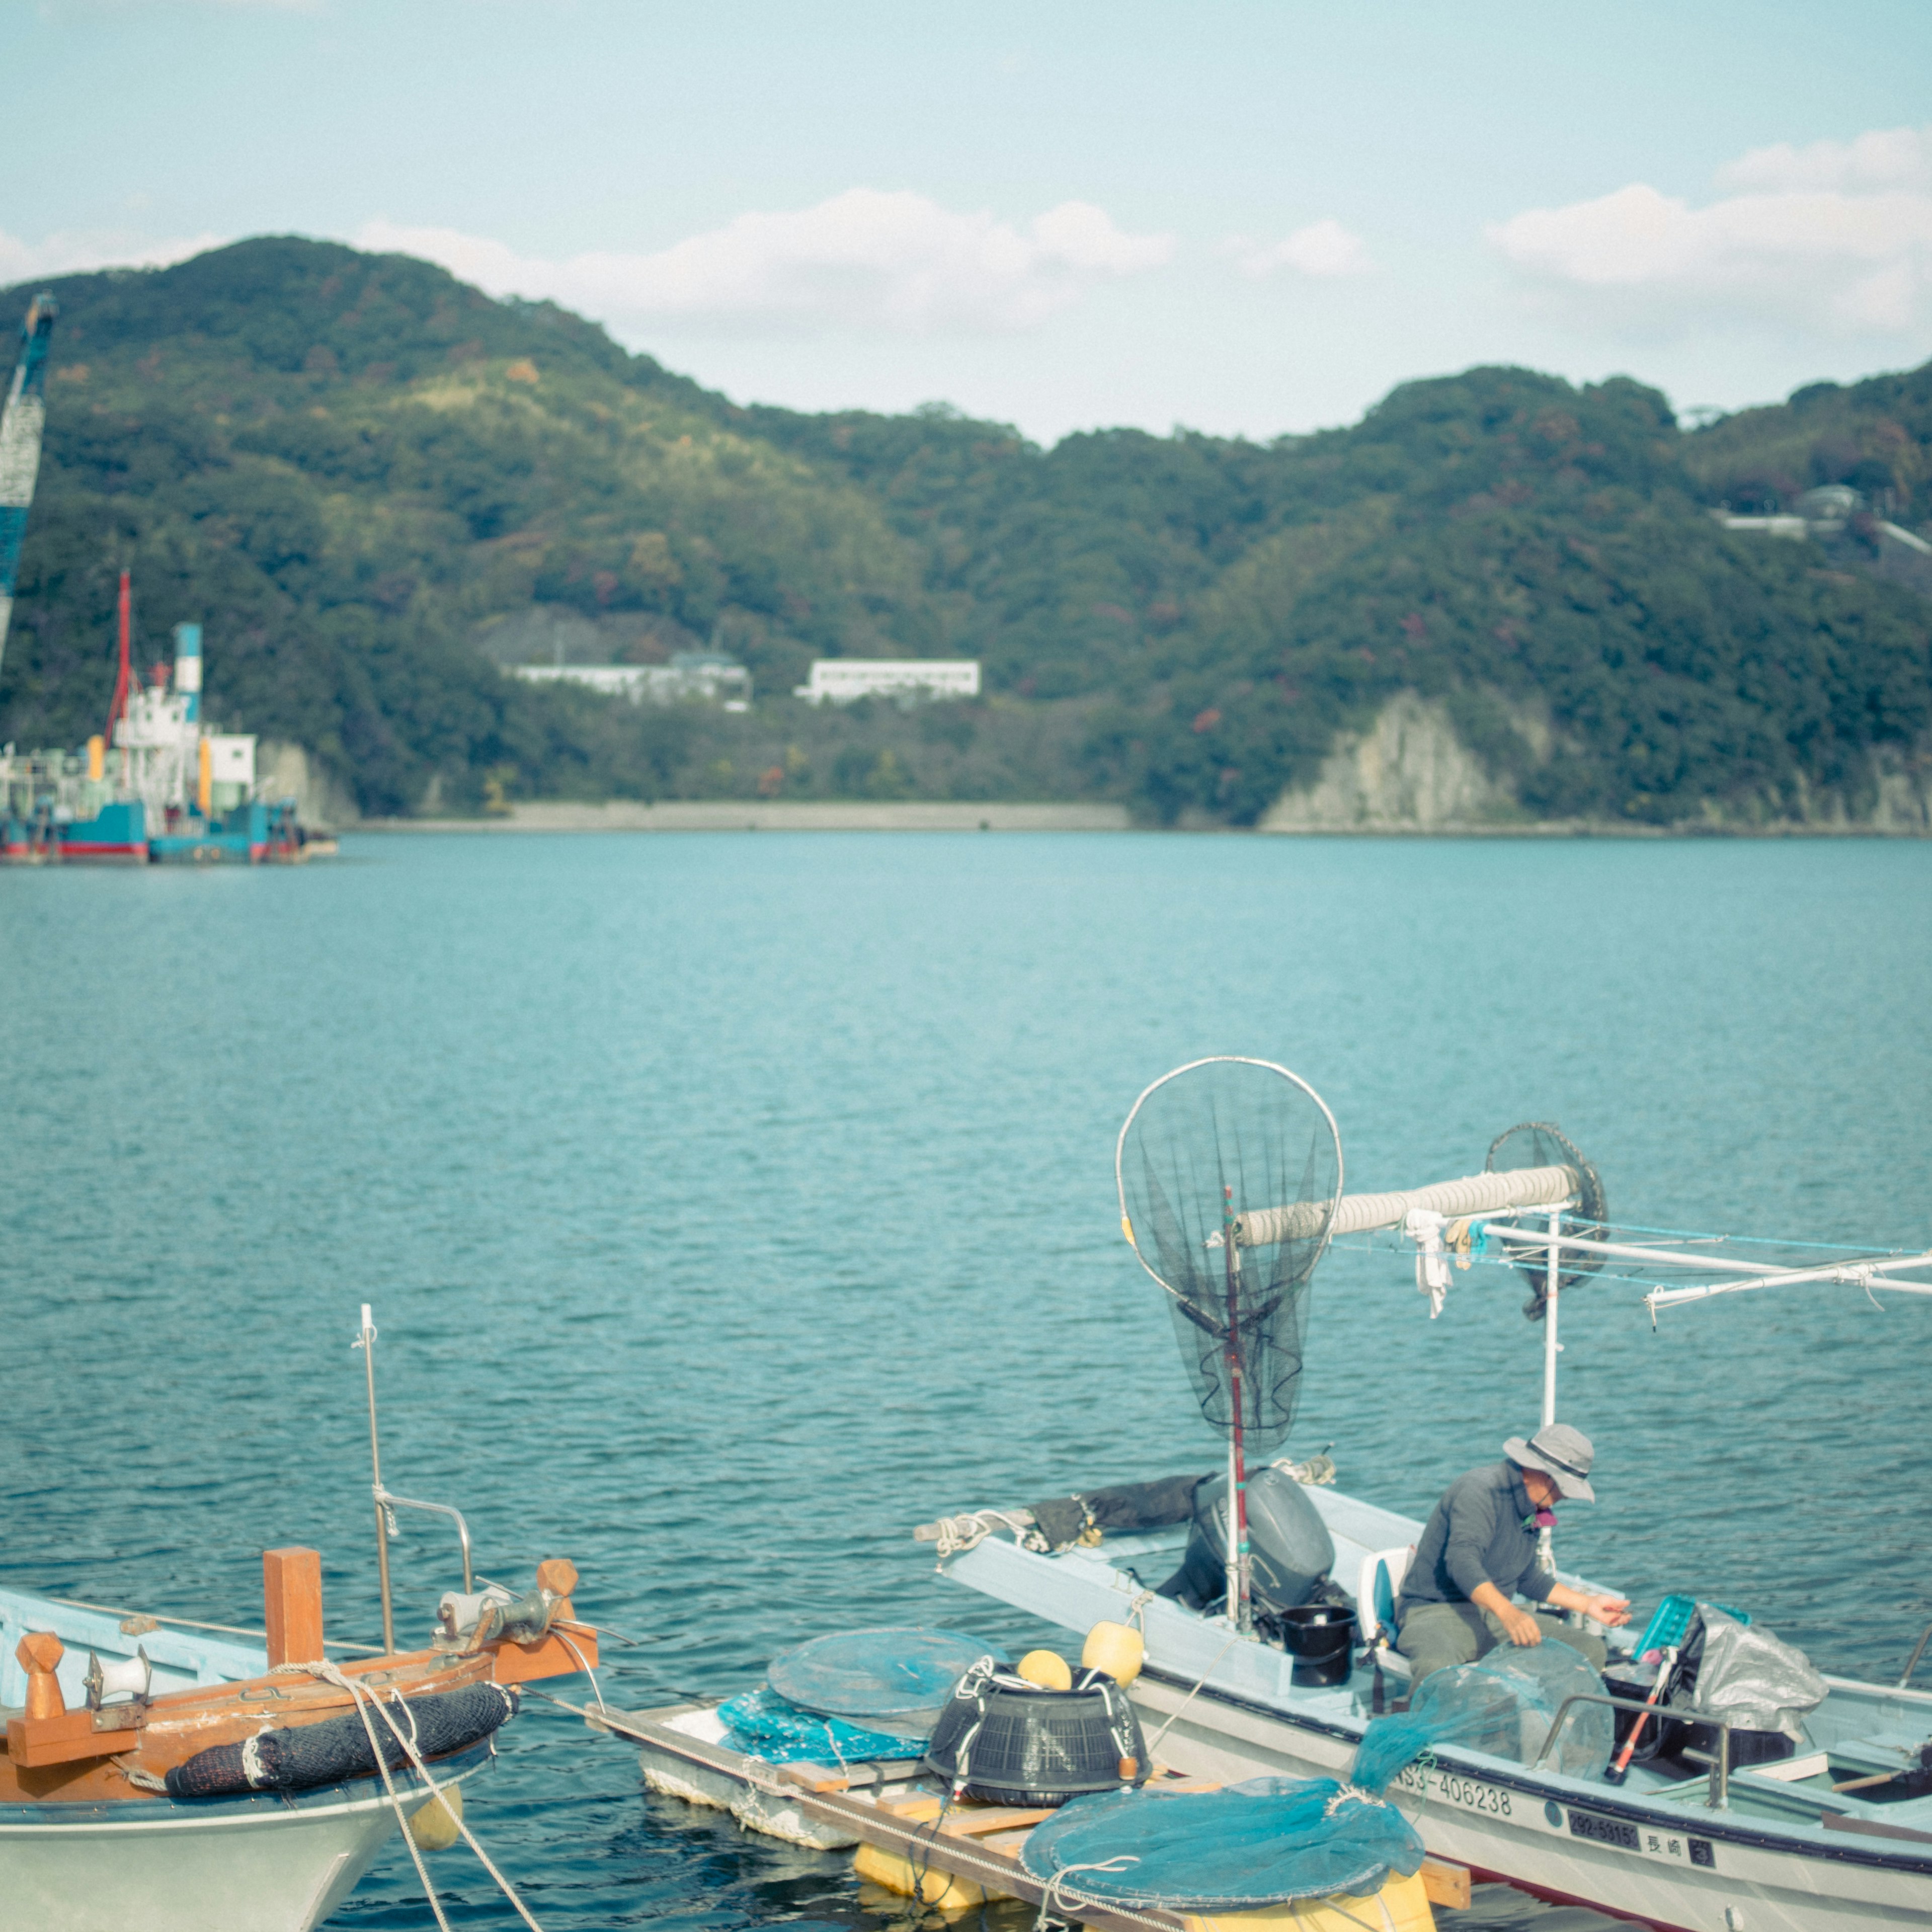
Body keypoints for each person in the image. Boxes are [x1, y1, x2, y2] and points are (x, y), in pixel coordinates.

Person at [1395, 1422, 1631, 1691]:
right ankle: (1432, 1731)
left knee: (1588, 1649)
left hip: (1492, 1614)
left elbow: (1526, 1576)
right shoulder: (1479, 1490)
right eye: (1562, 1488)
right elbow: (1462, 1562)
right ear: (1538, 1473)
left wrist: (1588, 1605)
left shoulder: (1532, 1507)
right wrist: (1509, 1613)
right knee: (1438, 1666)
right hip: (1435, 1611)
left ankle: (1553, 1728)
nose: (1564, 1497)